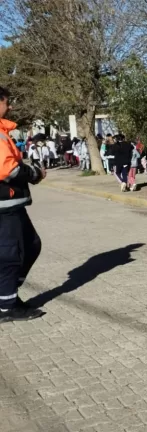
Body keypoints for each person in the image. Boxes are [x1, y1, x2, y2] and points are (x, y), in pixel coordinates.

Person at [0, 86, 47, 323]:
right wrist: (34, 172)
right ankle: (6, 306)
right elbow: (8, 169)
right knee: (12, 255)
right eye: (6, 102)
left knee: (31, 246)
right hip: (4, 205)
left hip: (11, 204)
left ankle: (6, 296)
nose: (10, 107)